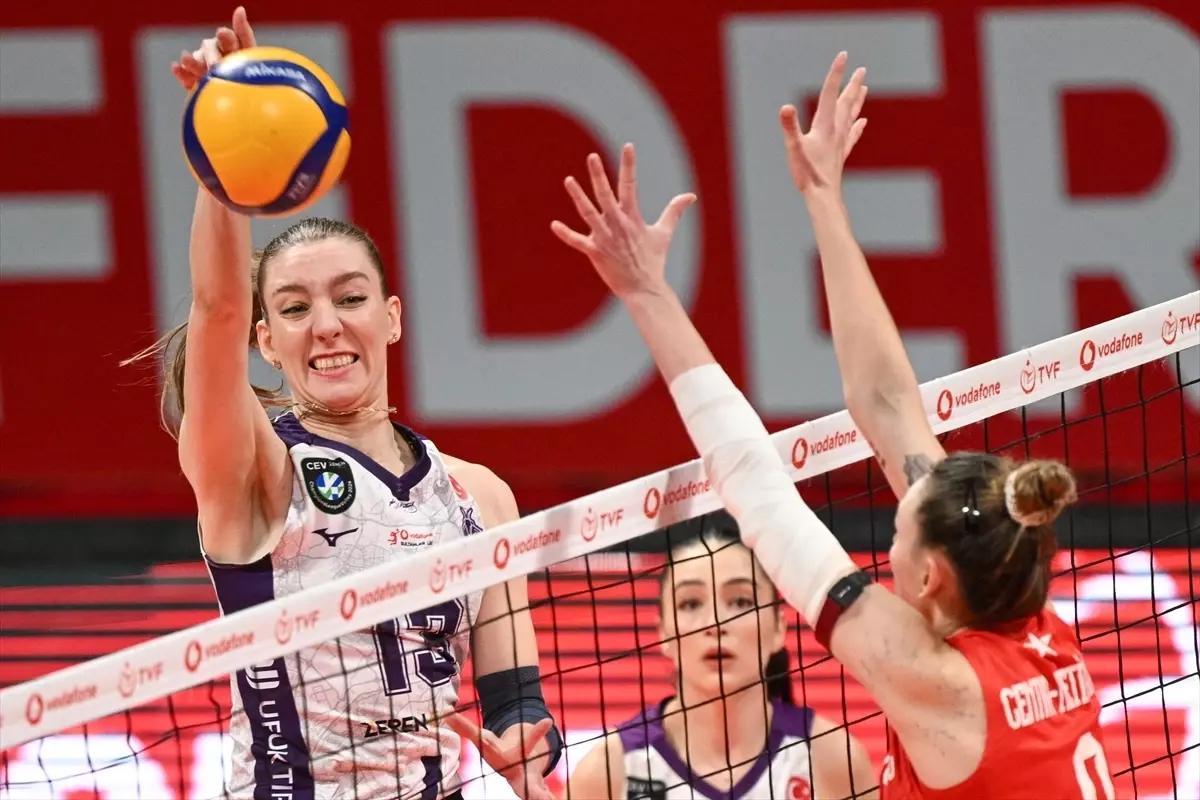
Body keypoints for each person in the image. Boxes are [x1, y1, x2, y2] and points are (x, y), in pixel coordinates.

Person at [550, 52, 1112, 799]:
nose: (888, 540)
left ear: (929, 576)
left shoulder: (935, 681)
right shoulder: (1032, 619)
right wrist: (823, 197)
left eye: (897, 532)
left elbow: (756, 488)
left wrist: (648, 295)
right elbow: (888, 404)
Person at [132, 8, 562, 799]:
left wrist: (528, 746)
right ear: (267, 341)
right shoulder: (256, 471)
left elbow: (516, 699)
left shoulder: (480, 495)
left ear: (391, 317)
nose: (327, 324)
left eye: (350, 297)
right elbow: (216, 311)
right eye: (295, 308)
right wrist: (225, 153)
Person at [566, 515, 876, 799]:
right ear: (663, 633)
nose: (715, 623)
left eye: (741, 601)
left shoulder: (832, 759)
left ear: (778, 628)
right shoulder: (608, 772)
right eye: (690, 604)